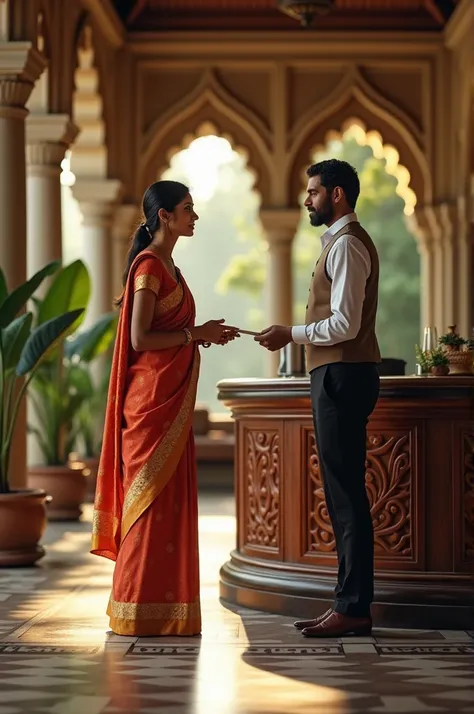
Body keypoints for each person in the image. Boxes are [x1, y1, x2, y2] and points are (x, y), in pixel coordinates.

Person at [91, 180, 239, 637]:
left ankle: (166, 611)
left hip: (168, 401)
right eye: (188, 209)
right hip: (149, 405)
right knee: (148, 507)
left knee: (168, 504)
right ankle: (135, 608)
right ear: (165, 217)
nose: (195, 217)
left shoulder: (171, 265)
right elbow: (140, 339)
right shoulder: (151, 265)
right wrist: (197, 335)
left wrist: (205, 332)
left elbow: (171, 332)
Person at [255, 159, 381, 638]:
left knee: (346, 497)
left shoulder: (347, 245)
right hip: (338, 374)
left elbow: (344, 326)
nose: (307, 200)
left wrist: (292, 333)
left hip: (343, 376)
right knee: (342, 494)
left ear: (337, 195)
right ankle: (349, 603)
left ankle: (353, 607)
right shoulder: (339, 244)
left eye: (313, 192)